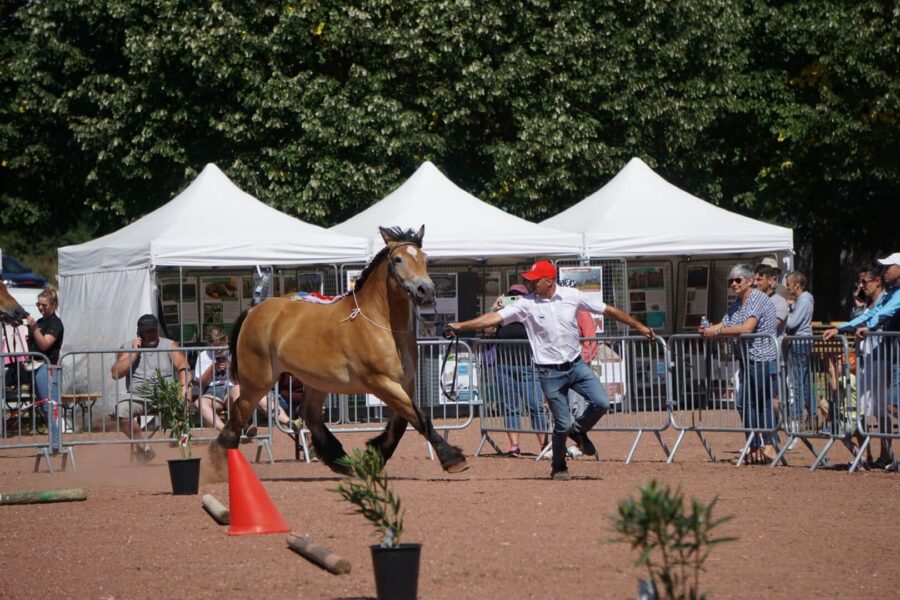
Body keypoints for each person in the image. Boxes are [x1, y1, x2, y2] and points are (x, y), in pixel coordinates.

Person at [446, 260, 654, 480]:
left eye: (535, 280)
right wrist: (461, 326)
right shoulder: (526, 304)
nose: (531, 284)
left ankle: (578, 430)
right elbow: (495, 317)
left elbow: (608, 309)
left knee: (601, 402)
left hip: (575, 365)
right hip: (549, 372)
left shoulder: (572, 295)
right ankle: (559, 465)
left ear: (549, 281)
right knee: (562, 423)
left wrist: (638, 326)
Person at [700, 264, 779, 465]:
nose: (733, 284)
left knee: (761, 402)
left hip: (762, 357)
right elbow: (725, 323)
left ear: (750, 280)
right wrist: (708, 329)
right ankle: (753, 443)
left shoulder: (757, 298)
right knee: (744, 403)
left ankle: (769, 443)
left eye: (738, 280)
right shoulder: (737, 303)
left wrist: (716, 332)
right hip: (745, 358)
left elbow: (747, 328)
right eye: (730, 281)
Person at [110, 314, 190, 463]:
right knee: (121, 412)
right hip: (137, 395)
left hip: (165, 394)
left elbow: (182, 365)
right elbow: (115, 373)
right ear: (139, 333)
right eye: (148, 331)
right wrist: (134, 354)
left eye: (154, 330)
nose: (152, 334)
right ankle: (145, 447)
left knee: (184, 399)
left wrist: (184, 386)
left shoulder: (169, 344)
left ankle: (183, 448)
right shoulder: (128, 347)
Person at [193, 326, 294, 436]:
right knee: (199, 403)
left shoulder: (234, 352)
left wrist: (231, 367)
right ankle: (226, 430)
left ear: (226, 341)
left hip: (232, 388)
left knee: (240, 390)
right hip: (212, 391)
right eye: (215, 346)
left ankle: (286, 422)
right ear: (209, 344)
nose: (218, 350)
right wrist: (212, 368)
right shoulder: (203, 355)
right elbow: (201, 383)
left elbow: (242, 379)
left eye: (221, 345)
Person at [490, 283, 548, 457]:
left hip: (527, 366)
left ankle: (545, 444)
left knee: (535, 406)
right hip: (504, 366)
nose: (515, 298)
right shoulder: (501, 315)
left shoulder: (531, 312)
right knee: (510, 407)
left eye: (519, 295)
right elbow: (487, 329)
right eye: (512, 295)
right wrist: (494, 308)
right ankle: (514, 445)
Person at [25, 287, 64, 452]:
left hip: (47, 367)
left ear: (53, 304)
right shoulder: (41, 322)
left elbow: (45, 344)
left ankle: (55, 444)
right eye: (38, 304)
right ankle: (54, 443)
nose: (40, 308)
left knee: (51, 407)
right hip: (36, 367)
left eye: (44, 305)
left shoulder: (55, 323)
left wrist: (34, 329)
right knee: (45, 407)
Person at [784, 270, 815, 431]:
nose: (788, 288)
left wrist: (786, 310)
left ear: (797, 284)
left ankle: (796, 417)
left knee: (797, 382)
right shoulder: (803, 300)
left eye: (789, 284)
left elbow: (792, 323)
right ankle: (812, 415)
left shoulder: (803, 300)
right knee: (803, 381)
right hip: (801, 342)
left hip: (799, 343)